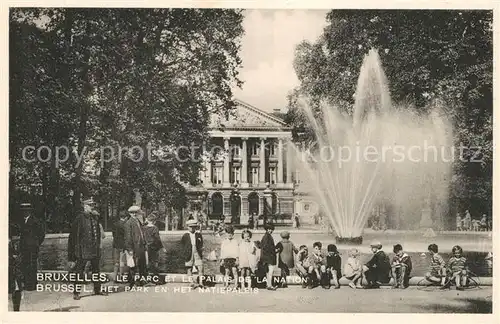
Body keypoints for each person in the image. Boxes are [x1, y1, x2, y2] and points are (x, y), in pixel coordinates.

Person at [67, 198, 107, 300]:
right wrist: (71, 256)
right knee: (79, 272)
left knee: (96, 271)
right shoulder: (79, 219)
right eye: (90, 206)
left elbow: (97, 234)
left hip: (94, 250)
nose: (92, 207)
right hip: (82, 251)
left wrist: (98, 247)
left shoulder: (95, 218)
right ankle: (76, 292)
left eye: (93, 206)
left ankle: (97, 290)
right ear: (85, 206)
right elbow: (73, 237)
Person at [18, 203, 45, 292]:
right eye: (23, 211)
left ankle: (31, 285)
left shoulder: (34, 221)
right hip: (24, 247)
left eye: (26, 211)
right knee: (26, 265)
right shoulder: (23, 221)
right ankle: (28, 283)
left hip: (32, 247)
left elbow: (41, 234)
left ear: (29, 211)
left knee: (32, 265)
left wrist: (36, 243)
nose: (24, 212)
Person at [124, 206, 148, 287]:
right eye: (132, 213)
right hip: (134, 247)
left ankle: (141, 281)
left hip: (140, 246)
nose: (134, 214)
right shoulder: (128, 223)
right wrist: (130, 249)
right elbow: (128, 237)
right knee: (133, 265)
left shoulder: (138, 221)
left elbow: (141, 233)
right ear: (129, 213)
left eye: (135, 212)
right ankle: (132, 283)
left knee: (141, 264)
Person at [143, 212, 166, 284]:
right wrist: (161, 247)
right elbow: (157, 239)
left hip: (145, 247)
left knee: (146, 263)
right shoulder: (155, 228)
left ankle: (146, 278)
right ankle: (155, 278)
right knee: (154, 263)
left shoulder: (143, 228)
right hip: (153, 247)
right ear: (154, 221)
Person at [180, 219, 204, 288]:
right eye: (190, 227)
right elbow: (182, 245)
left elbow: (201, 243)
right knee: (189, 268)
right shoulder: (185, 235)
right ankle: (191, 282)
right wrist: (184, 253)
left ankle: (201, 283)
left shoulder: (198, 235)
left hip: (197, 252)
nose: (192, 228)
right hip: (189, 252)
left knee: (200, 267)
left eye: (194, 227)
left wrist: (201, 250)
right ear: (187, 227)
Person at [112, 211, 129, 282]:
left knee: (116, 262)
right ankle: (121, 277)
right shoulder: (125, 225)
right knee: (122, 262)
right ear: (125, 217)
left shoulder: (115, 224)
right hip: (122, 245)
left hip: (115, 245)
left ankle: (114, 277)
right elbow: (126, 236)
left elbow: (113, 234)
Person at [260, 223, 278, 290]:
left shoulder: (266, 236)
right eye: (269, 229)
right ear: (267, 229)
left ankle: (269, 284)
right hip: (268, 256)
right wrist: (274, 250)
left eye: (271, 229)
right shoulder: (267, 237)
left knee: (268, 271)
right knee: (270, 271)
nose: (270, 230)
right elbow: (266, 247)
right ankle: (269, 285)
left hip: (266, 256)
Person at [9, 233, 23, 311]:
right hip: (10, 270)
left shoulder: (16, 245)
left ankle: (16, 309)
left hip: (15, 272)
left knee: (17, 289)